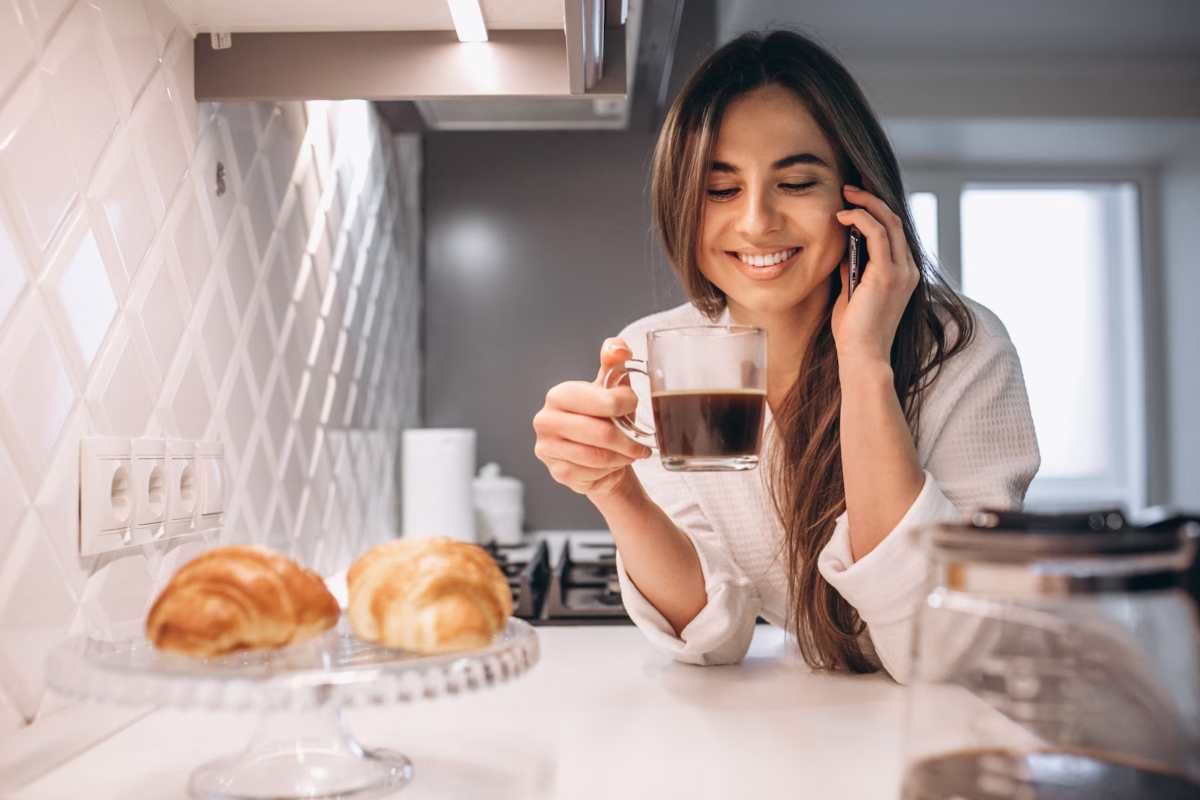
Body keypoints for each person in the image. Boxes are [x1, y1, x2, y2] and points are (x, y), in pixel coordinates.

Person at [531, 30, 1039, 681]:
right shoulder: (661, 352)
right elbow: (715, 636)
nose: (755, 222)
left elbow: (938, 647)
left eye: (796, 182)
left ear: (858, 195)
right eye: (720, 190)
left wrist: (865, 364)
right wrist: (616, 491)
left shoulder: (963, 351)